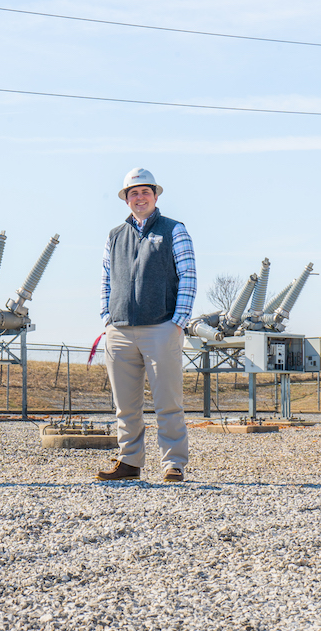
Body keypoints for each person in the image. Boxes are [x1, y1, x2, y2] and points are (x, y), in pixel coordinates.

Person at [96, 167, 197, 483]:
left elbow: (188, 277)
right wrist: (106, 320)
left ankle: (173, 463)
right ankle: (129, 462)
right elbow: (106, 280)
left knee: (168, 402)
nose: (139, 198)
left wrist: (177, 322)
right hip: (120, 330)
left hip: (161, 328)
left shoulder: (174, 231)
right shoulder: (114, 236)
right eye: (133, 193)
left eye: (145, 192)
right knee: (126, 406)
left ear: (155, 196)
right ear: (126, 199)